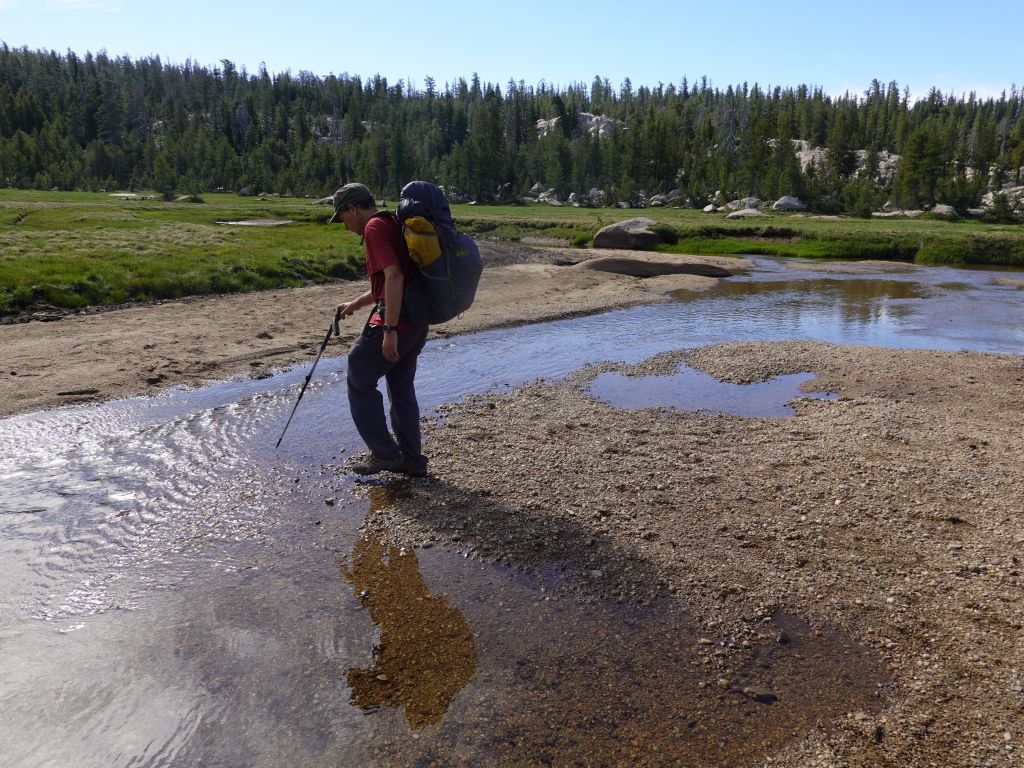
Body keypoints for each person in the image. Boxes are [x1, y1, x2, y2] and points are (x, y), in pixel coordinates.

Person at [330, 182, 429, 477]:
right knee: (401, 389)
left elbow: (395, 277)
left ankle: (384, 454)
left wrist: (389, 329)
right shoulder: (391, 222)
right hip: (417, 323)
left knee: (358, 373)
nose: (345, 226)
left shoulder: (373, 229)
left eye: (343, 217)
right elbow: (389, 282)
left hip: (398, 323)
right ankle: (412, 461)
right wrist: (357, 303)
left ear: (352, 208)